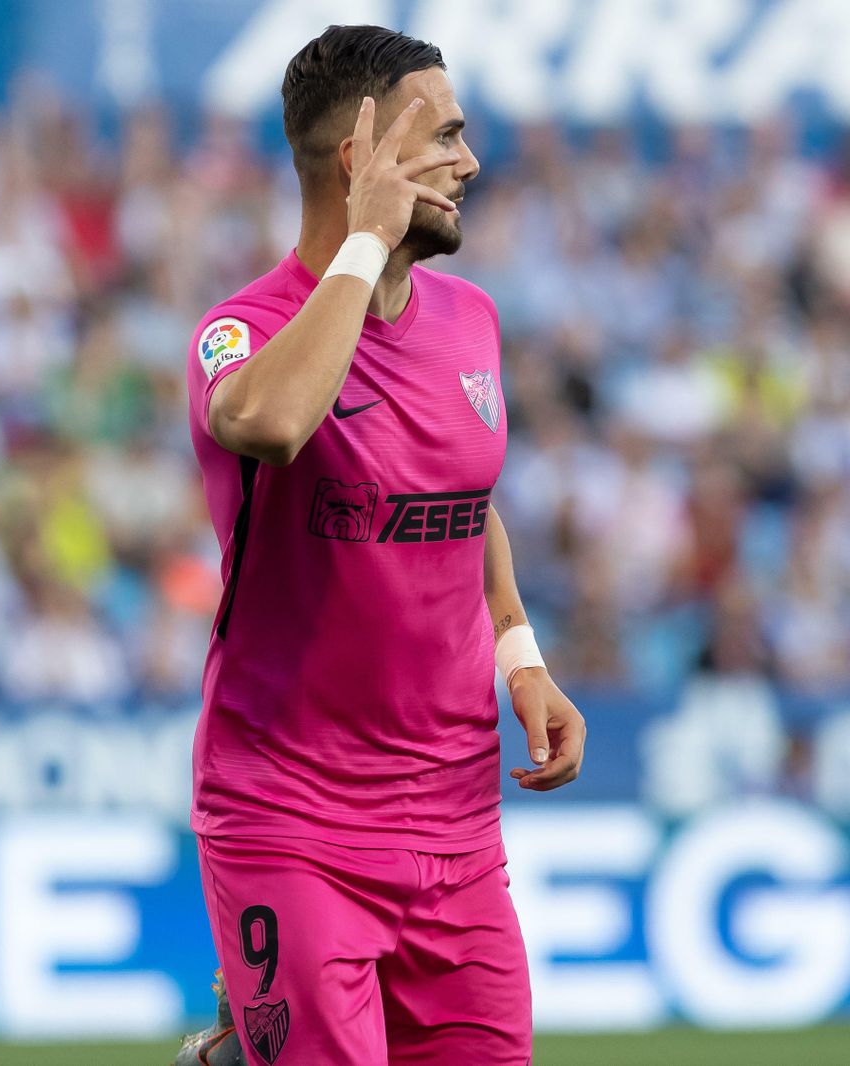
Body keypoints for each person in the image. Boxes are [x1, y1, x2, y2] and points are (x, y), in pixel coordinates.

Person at [175, 25, 585, 1066]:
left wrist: (520, 654)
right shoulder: (240, 331)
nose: (470, 161)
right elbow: (269, 424)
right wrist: (363, 244)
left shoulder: (473, 319)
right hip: (292, 815)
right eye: (442, 136)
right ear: (362, 159)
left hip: (456, 818)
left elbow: (461, 500)